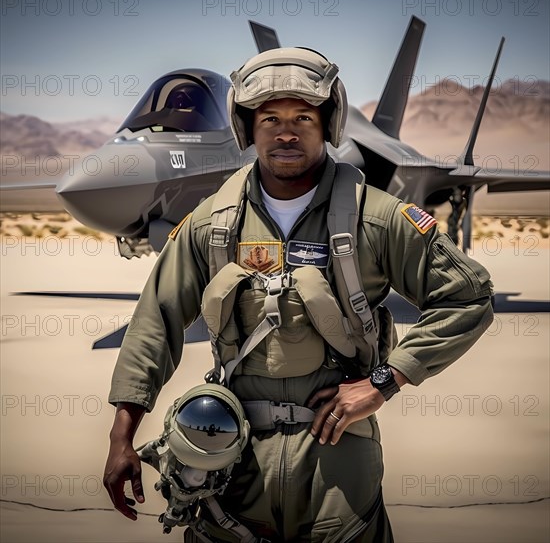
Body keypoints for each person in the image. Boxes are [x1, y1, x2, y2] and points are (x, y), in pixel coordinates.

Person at [103, 47, 494, 542]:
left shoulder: (374, 218)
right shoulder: (213, 224)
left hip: (338, 464)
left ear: (327, 124)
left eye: (302, 117)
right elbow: (153, 324)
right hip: (230, 457)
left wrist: (384, 381)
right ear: (248, 128)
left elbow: (469, 297)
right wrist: (121, 438)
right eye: (269, 118)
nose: (285, 132)